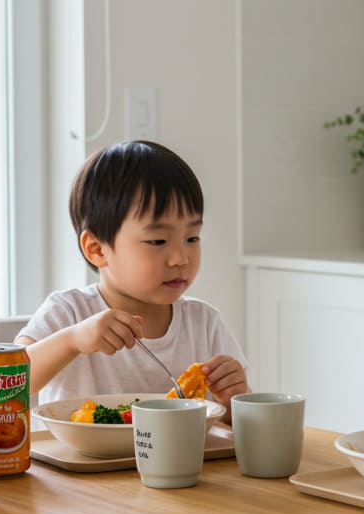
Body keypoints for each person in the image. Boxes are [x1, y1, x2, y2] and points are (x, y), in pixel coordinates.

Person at [18, 140, 249, 412]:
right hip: (74, 456)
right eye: (158, 241)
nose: (181, 258)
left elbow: (239, 424)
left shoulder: (204, 323)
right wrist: (73, 341)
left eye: (192, 237)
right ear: (96, 249)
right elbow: (8, 382)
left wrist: (235, 396)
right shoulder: (69, 311)